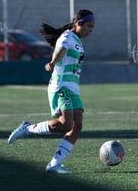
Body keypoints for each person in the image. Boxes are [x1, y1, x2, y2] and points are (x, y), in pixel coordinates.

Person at [7, 9, 95, 174]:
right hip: (60, 86)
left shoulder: (78, 40)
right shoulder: (67, 36)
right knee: (66, 124)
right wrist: (53, 62)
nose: (90, 31)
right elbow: (61, 50)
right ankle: (27, 129)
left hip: (73, 89)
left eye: (92, 28)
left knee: (77, 126)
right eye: (88, 26)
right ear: (79, 23)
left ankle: (54, 165)